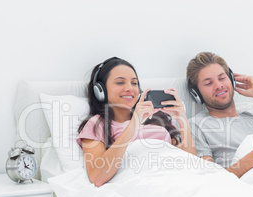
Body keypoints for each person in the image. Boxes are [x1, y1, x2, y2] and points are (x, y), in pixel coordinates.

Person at [77, 57, 196, 187]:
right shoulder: (96, 124)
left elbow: (191, 164)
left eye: (134, 83)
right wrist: (134, 123)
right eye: (120, 83)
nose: (130, 88)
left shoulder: (157, 118)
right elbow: (97, 177)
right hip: (141, 183)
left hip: (175, 177)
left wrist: (182, 119)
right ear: (100, 90)